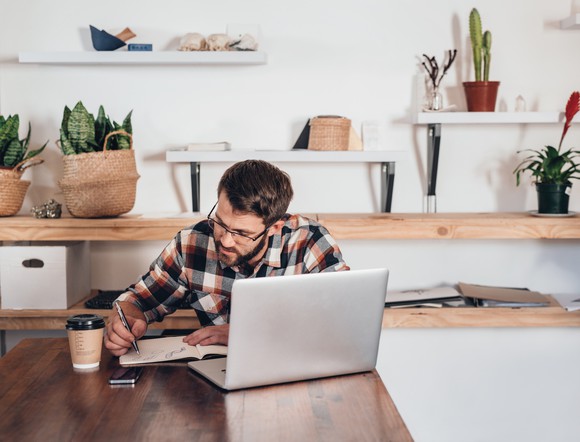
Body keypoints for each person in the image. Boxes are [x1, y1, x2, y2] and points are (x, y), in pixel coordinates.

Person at [104, 160, 349, 356]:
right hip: (216, 376)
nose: (225, 240)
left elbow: (342, 320)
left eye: (242, 233)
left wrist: (246, 334)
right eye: (220, 223)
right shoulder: (191, 243)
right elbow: (137, 301)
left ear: (274, 227)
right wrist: (124, 321)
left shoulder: (309, 243)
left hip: (293, 370)